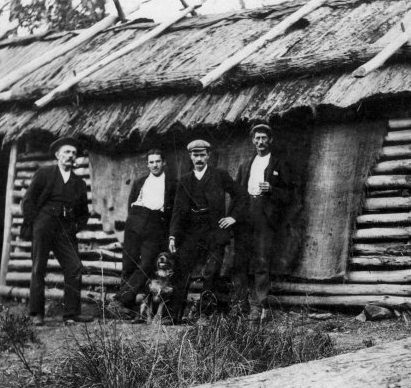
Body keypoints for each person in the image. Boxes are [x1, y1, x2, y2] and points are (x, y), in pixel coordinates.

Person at [168, 139, 247, 322]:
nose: (199, 159)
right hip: (191, 231)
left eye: (202, 155)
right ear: (190, 156)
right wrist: (173, 236)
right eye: (195, 155)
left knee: (211, 273)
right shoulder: (185, 180)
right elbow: (178, 211)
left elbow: (241, 195)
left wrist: (232, 217)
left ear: (208, 156)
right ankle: (174, 316)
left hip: (214, 230)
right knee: (182, 270)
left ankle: (205, 314)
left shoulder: (219, 175)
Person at [21, 137, 93, 325]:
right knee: (39, 268)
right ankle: (36, 313)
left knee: (74, 267)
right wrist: (35, 223)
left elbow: (84, 213)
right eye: (66, 152)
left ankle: (71, 313)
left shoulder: (79, 183)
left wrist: (75, 228)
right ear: (57, 155)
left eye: (73, 153)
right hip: (43, 226)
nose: (70, 156)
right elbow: (28, 200)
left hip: (65, 230)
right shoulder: (44, 174)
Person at [233, 123, 293, 321]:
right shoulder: (245, 165)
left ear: (271, 140)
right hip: (245, 216)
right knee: (241, 261)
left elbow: (290, 195)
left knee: (261, 261)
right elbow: (237, 194)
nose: (260, 142)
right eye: (257, 138)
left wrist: (272, 190)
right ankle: (241, 304)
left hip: (264, 216)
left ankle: (260, 306)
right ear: (252, 141)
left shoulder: (279, 164)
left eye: (264, 138)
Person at [115, 148, 176, 312]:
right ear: (147, 164)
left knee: (147, 263)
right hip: (135, 222)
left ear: (164, 162)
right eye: (151, 162)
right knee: (129, 263)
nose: (155, 165)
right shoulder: (140, 181)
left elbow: (173, 210)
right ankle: (127, 307)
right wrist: (133, 222)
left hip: (155, 225)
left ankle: (121, 298)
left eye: (157, 161)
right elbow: (131, 204)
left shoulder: (171, 183)